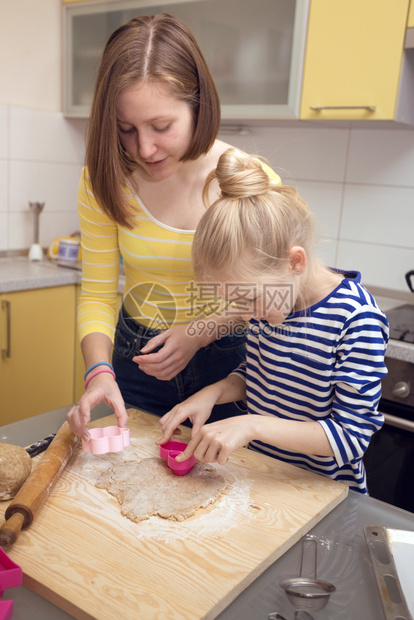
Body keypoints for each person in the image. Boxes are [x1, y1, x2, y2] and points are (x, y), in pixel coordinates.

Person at [66, 14, 280, 442]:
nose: (143, 148)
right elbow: (97, 293)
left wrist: (198, 333)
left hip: (228, 370)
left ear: (198, 105)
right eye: (126, 129)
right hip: (135, 359)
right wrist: (99, 373)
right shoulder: (103, 179)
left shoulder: (245, 181)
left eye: (161, 127)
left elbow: (280, 294)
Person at [158, 147, 389, 494]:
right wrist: (213, 392)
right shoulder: (274, 302)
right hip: (266, 479)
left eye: (250, 298)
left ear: (295, 262)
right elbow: (262, 376)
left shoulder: (356, 319)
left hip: (321, 495)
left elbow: (351, 438)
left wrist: (252, 425)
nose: (246, 315)